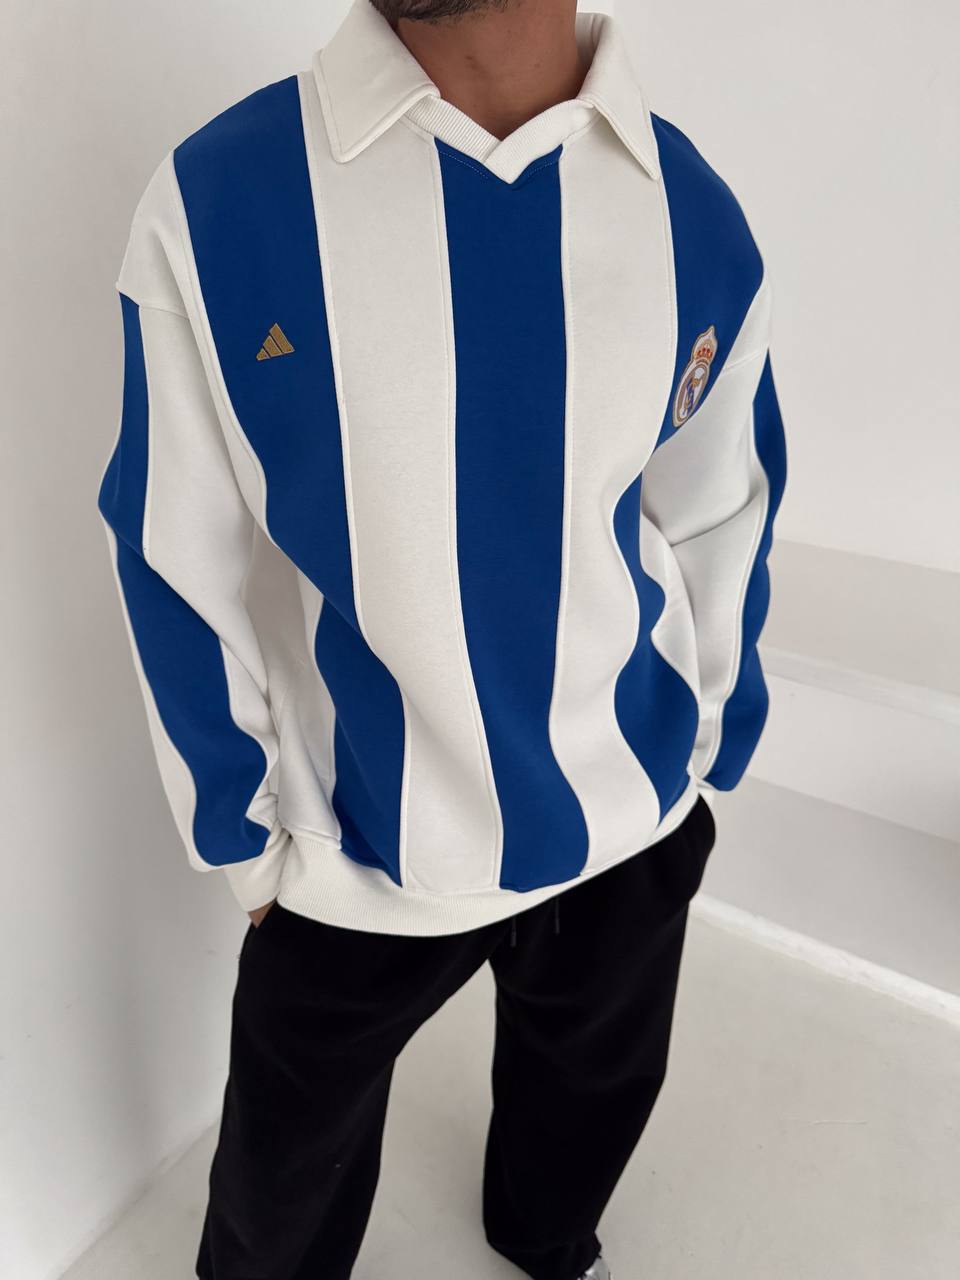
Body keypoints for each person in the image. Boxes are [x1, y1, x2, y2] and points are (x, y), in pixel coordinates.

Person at [95, 0, 787, 1276]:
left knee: (581, 1125)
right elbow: (169, 543)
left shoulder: (689, 208)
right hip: (354, 853)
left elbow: (718, 503)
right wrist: (245, 841)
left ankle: (544, 1237)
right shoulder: (219, 202)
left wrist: (702, 748)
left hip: (627, 821)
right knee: (274, 1211)